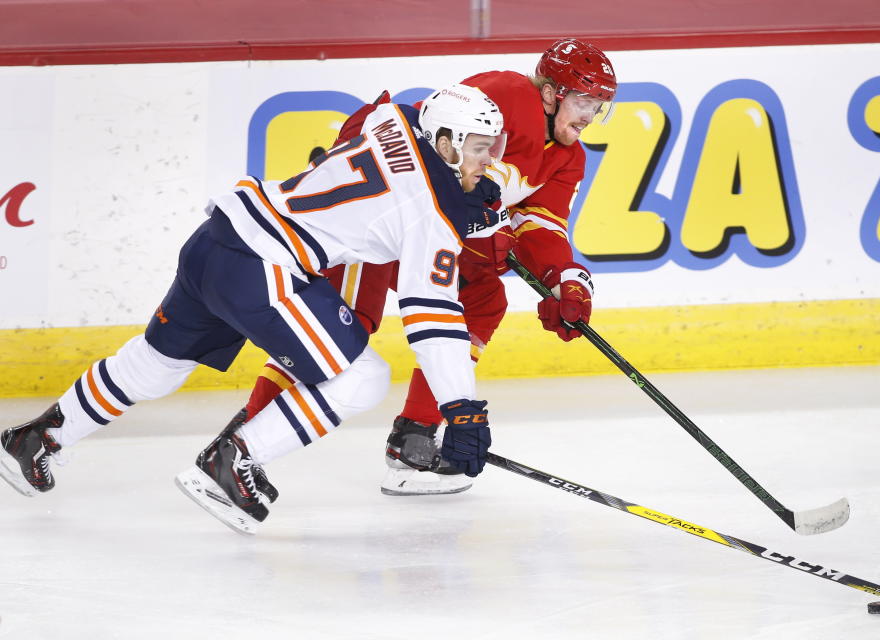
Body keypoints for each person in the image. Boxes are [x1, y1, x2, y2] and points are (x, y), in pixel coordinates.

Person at [0, 83, 506, 535]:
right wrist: (461, 408)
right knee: (363, 378)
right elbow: (433, 317)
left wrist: (466, 199)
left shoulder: (392, 121)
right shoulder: (432, 218)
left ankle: (38, 436)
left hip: (217, 239)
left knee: (158, 366)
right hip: (261, 269)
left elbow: (397, 149)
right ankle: (234, 458)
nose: (488, 161)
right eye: (480, 150)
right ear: (446, 144)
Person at [235, 38, 618, 497]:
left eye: (599, 106)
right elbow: (432, 146)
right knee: (345, 329)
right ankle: (240, 443)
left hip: (430, 236)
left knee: (483, 299)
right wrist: (479, 220)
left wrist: (565, 282)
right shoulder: (511, 92)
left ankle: (413, 438)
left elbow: (541, 225)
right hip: (384, 217)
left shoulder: (568, 159)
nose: (589, 116)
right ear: (553, 92)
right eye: (583, 101)